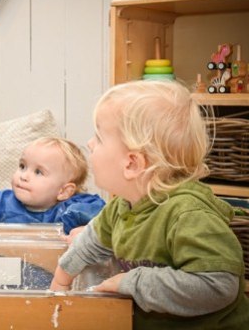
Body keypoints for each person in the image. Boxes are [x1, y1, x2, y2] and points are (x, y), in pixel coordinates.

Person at [49, 80, 249, 329]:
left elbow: (219, 286)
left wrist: (134, 282)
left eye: (99, 137)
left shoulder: (188, 215)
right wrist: (63, 275)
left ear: (132, 164)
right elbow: (93, 240)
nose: (90, 144)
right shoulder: (123, 205)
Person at [0, 137, 105, 234]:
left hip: (48, 286)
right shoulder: (1, 203)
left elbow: (104, 215)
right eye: (22, 166)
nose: (24, 176)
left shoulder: (69, 210)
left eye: (38, 172)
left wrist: (80, 228)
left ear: (64, 191)